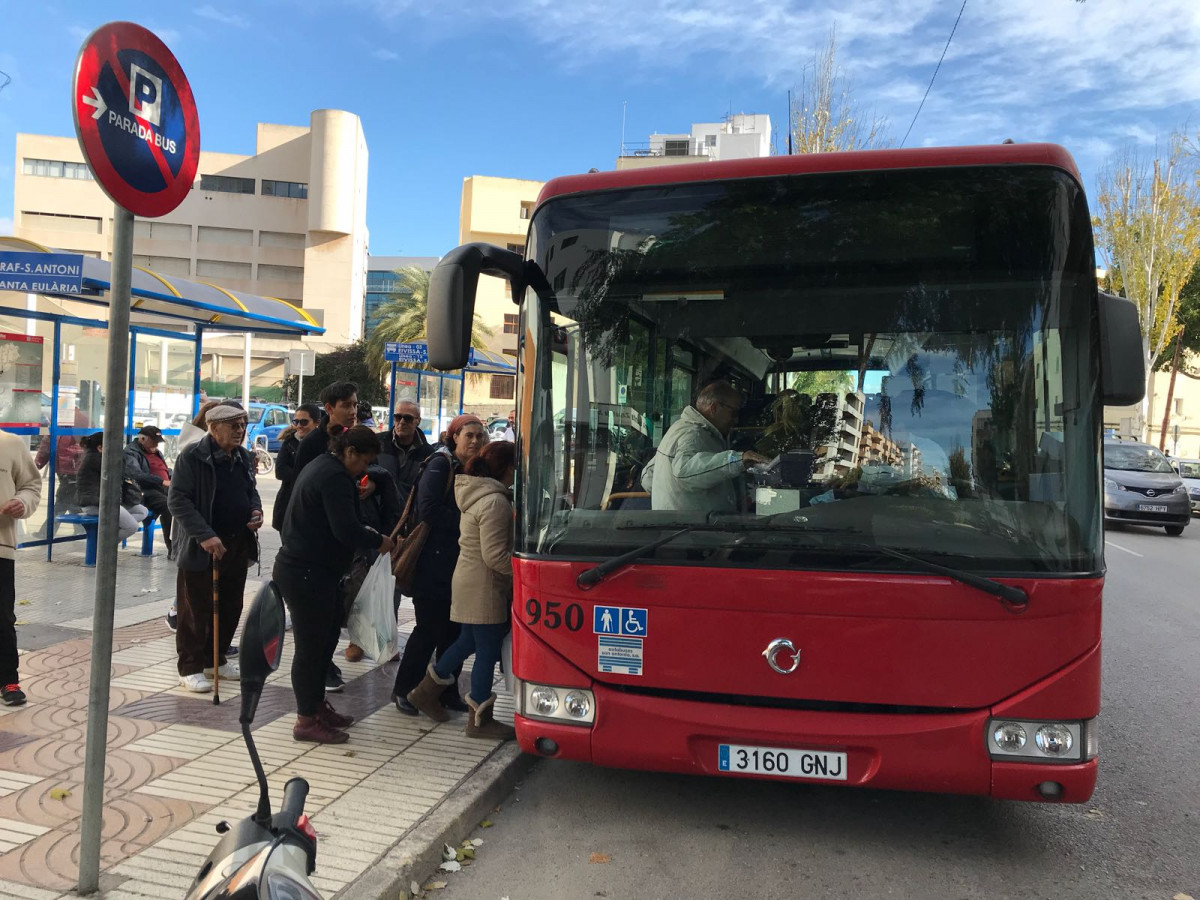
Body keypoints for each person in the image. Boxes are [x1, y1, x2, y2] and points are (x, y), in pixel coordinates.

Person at [274, 425, 394, 743]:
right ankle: (305, 720)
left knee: (325, 642)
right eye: (364, 462)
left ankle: (316, 707)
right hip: (305, 573)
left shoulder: (326, 465)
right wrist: (377, 539)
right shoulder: (334, 476)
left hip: (314, 570)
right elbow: (345, 529)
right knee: (311, 648)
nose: (365, 470)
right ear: (349, 452)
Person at [407, 441, 516, 739]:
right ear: (508, 469)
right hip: (485, 585)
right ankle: (480, 719)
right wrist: (523, 575)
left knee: (467, 641)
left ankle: (424, 693)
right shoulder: (495, 501)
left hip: (469, 579)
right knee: (487, 649)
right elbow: (494, 555)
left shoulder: (476, 494)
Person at [391, 414, 489, 716]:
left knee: (454, 632)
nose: (474, 441)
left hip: (457, 564)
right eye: (468, 435)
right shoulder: (440, 464)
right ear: (454, 437)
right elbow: (428, 510)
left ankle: (445, 692)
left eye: (479, 436)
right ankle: (404, 690)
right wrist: (471, 524)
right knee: (428, 630)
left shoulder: (470, 468)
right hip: (431, 564)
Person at [168, 403, 263, 693]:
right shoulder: (193, 456)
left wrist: (256, 511)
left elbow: (251, 490)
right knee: (195, 609)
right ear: (213, 427)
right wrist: (204, 535)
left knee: (231, 604)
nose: (240, 431)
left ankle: (215, 660)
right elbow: (178, 500)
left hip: (236, 543)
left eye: (242, 425)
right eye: (233, 425)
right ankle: (190, 667)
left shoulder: (243, 457)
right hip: (203, 546)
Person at [288, 382, 360, 692]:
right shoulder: (314, 444)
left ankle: (323, 668)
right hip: (311, 544)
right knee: (315, 626)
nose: (353, 410)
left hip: (338, 542)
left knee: (333, 615)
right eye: (347, 405)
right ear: (329, 409)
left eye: (356, 404)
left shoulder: (352, 438)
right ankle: (317, 680)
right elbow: (305, 489)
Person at [642, 381, 769, 513]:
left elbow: (648, 477)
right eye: (734, 413)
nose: (736, 420)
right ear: (713, 408)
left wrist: (673, 498)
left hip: (678, 527)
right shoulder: (693, 434)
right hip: (693, 529)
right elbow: (684, 471)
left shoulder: (678, 428)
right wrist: (737, 460)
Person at [166, 400, 224, 634]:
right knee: (192, 579)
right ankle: (177, 614)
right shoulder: (195, 447)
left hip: (210, 527)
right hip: (196, 527)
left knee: (200, 580)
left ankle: (178, 613)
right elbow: (178, 498)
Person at [0, 428, 40, 705]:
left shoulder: (10, 443)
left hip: (0, 546)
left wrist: (22, 502)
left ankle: (8, 681)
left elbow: (31, 486)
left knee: (2, 618)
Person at [76, 432, 149, 543]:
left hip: (107, 501)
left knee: (142, 511)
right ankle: (105, 548)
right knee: (132, 527)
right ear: (100, 448)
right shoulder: (96, 460)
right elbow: (120, 471)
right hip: (95, 504)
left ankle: (113, 531)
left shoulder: (100, 458)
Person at [125, 425, 173, 557]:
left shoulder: (156, 452)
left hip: (164, 488)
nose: (156, 445)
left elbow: (163, 469)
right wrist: (161, 481)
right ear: (142, 438)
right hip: (145, 490)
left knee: (183, 503)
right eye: (153, 442)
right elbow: (136, 474)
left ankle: (182, 544)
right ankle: (173, 548)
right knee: (168, 507)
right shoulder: (131, 453)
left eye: (157, 442)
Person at [272, 402, 321, 532]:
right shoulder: (289, 442)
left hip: (313, 506)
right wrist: (307, 477)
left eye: (304, 422)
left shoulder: (324, 444)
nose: (299, 426)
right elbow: (280, 471)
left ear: (317, 422)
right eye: (296, 421)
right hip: (289, 502)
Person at [375, 400, 432, 501]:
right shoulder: (376, 443)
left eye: (408, 418)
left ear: (418, 421)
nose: (401, 422)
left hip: (409, 513)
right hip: (379, 512)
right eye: (398, 417)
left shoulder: (428, 454)